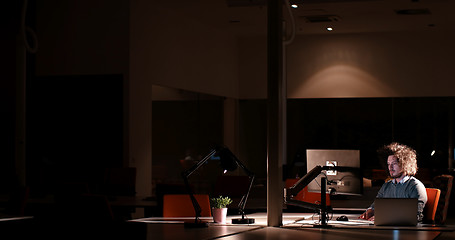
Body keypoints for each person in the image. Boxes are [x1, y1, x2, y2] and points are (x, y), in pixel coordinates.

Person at [359, 142, 428, 222]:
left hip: (408, 232)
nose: (390, 167)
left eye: (394, 164)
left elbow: (416, 215)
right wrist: (371, 210)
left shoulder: (415, 186)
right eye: (388, 164)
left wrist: (386, 218)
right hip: (389, 230)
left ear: (405, 164)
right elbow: (377, 204)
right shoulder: (387, 186)